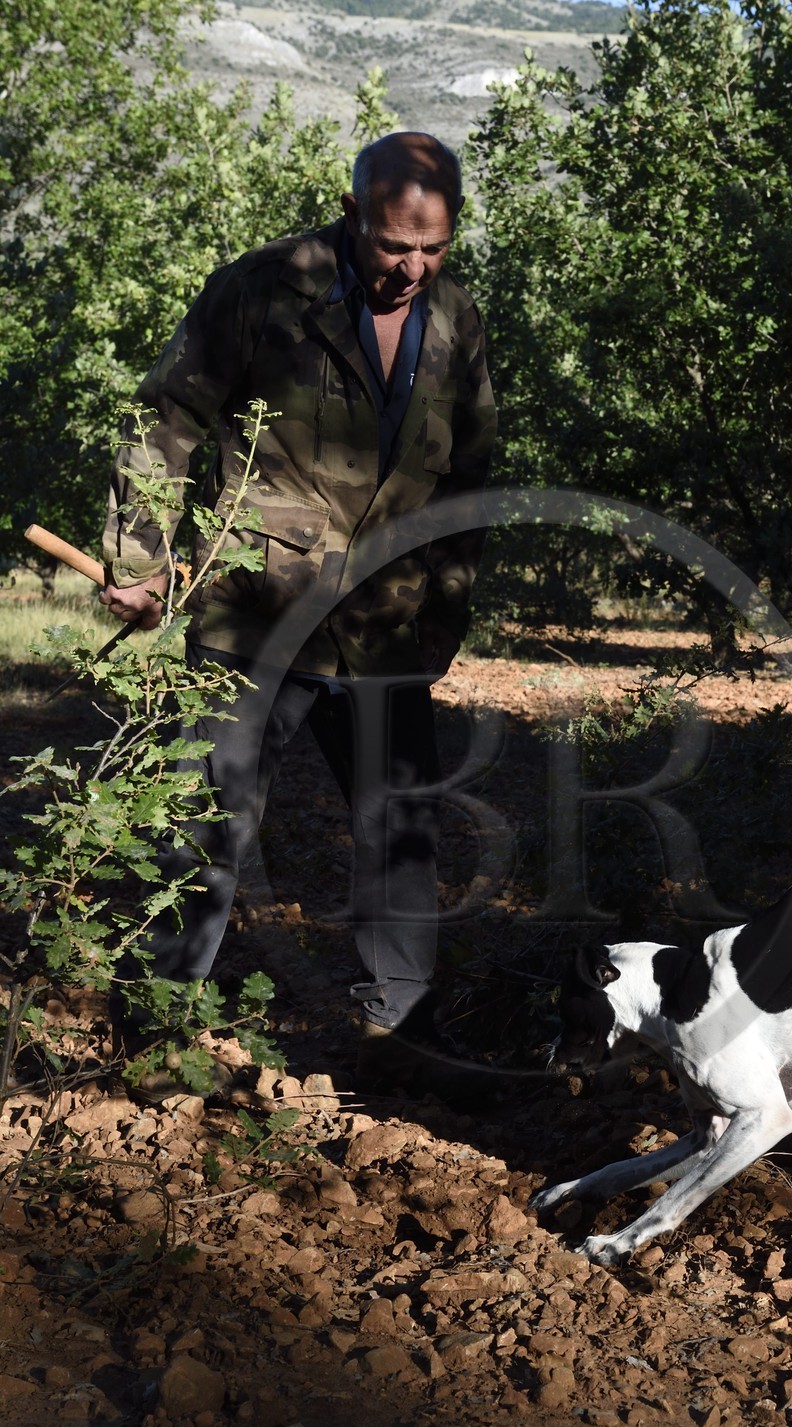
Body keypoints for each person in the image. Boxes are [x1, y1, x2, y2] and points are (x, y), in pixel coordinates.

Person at [99, 130, 497, 1085]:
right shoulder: (262, 287)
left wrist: (447, 608)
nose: (412, 267)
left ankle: (398, 1033)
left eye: (433, 247)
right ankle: (153, 1030)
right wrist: (141, 553)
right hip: (256, 611)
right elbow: (169, 416)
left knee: (401, 829)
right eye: (396, 244)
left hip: (388, 624)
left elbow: (472, 473)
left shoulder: (458, 319)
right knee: (206, 817)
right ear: (354, 212)